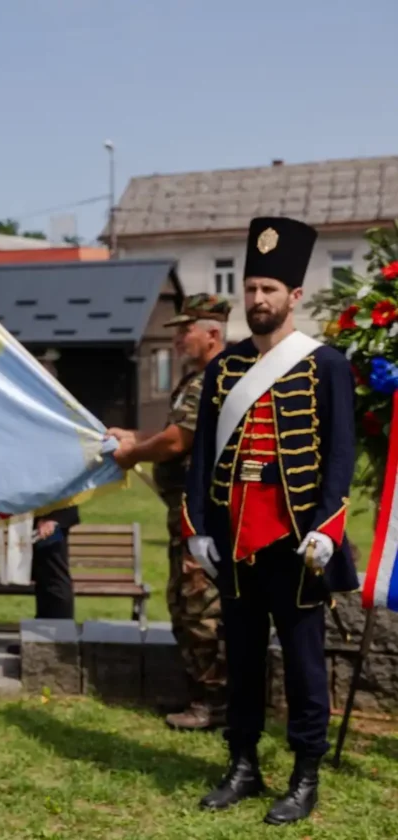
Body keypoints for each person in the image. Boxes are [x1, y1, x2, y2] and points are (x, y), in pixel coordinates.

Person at [183, 217, 357, 826]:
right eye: (251, 288)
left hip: (296, 543)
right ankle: (243, 765)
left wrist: (327, 528)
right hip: (234, 542)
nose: (258, 299)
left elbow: (340, 453)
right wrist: (197, 526)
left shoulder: (325, 365)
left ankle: (305, 775)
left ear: (294, 298)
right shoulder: (222, 370)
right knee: (245, 656)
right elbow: (203, 452)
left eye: (269, 290)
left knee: (307, 666)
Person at [109, 294, 231, 731]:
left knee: (201, 607)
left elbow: (176, 443)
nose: (178, 338)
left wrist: (131, 454)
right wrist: (136, 437)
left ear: (212, 333)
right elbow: (173, 436)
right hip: (186, 515)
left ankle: (214, 702)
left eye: (186, 329)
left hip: (204, 515)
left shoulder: (213, 380)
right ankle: (200, 694)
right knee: (184, 603)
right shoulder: (198, 379)